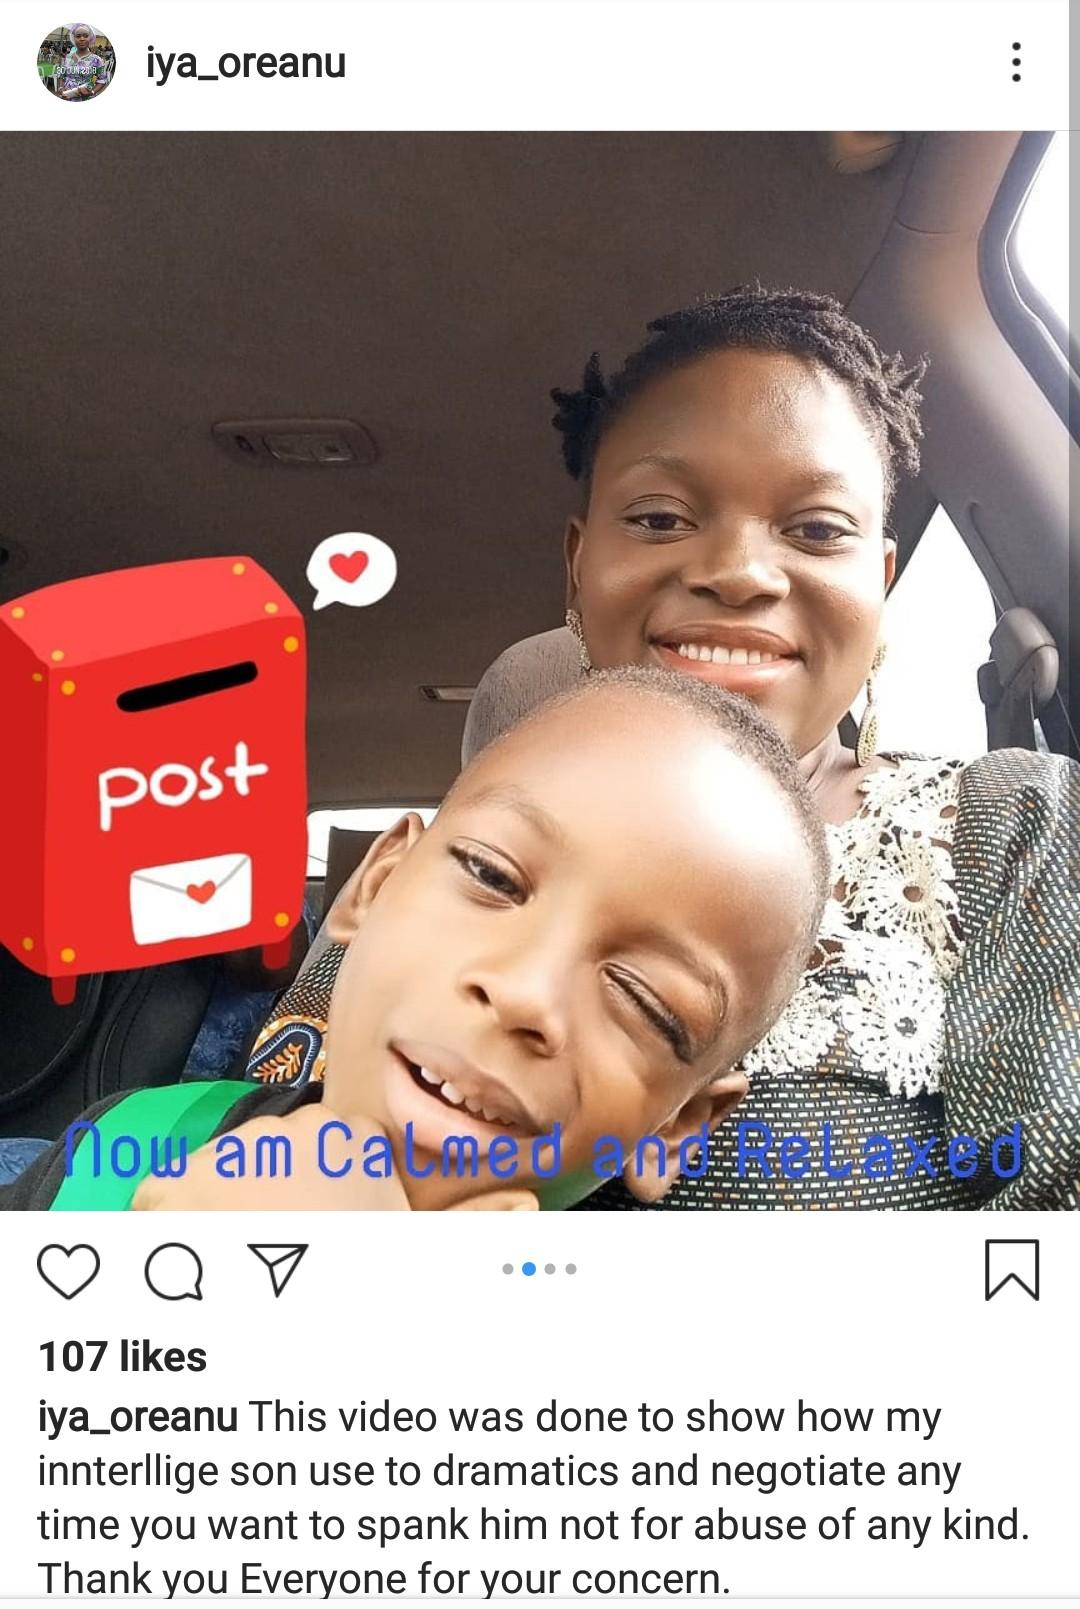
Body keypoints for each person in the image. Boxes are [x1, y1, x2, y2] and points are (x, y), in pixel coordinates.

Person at [536, 284, 1078, 1210]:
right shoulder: (452, 857)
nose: (738, 573)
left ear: (880, 581)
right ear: (579, 563)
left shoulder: (1011, 827)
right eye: (660, 517)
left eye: (817, 529)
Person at [1, 668, 830, 1212]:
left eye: (645, 1000)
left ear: (676, 1127)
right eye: (493, 876)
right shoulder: (132, 1138)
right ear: (375, 882)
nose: (524, 992)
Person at [57, 24, 109, 101]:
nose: (82, 39)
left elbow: (102, 80)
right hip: (67, 97)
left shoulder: (97, 60)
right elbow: (61, 75)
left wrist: (92, 92)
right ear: (74, 38)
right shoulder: (67, 58)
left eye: (86, 36)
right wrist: (61, 88)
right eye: (78, 36)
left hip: (86, 98)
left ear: (90, 38)